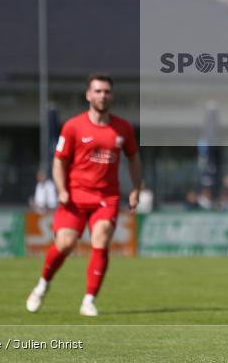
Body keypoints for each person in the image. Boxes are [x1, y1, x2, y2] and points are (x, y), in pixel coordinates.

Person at [25, 73, 142, 316]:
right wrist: (62, 190)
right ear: (88, 95)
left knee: (101, 238)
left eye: (107, 91)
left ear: (112, 95)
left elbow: (133, 157)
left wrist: (136, 188)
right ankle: (42, 285)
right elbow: (59, 162)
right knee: (65, 244)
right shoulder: (73, 126)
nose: (102, 95)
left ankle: (89, 300)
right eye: (98, 91)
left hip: (106, 197)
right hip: (75, 195)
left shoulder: (123, 128)